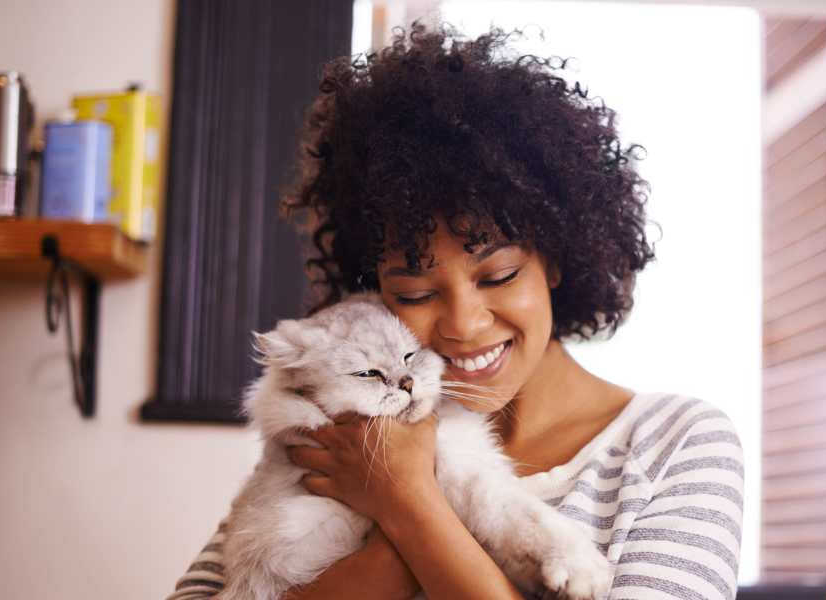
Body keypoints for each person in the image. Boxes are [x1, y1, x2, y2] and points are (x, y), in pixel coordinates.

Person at [168, 21, 744, 600]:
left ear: (559, 260)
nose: (464, 324)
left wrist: (410, 502)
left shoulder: (676, 446)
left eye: (499, 275)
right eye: (417, 293)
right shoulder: (342, 440)